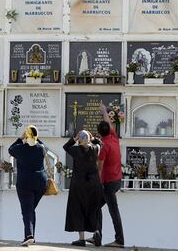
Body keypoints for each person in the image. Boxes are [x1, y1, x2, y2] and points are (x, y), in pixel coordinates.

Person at [90, 102, 124, 248]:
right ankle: (97, 235)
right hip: (116, 180)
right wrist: (104, 111)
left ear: (99, 133)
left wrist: (96, 182)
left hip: (108, 183)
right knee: (96, 206)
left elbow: (99, 167)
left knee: (113, 211)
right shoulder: (114, 138)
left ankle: (119, 240)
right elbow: (108, 124)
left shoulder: (104, 146)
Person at [9, 125, 47, 246]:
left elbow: (10, 149)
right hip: (40, 183)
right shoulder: (41, 148)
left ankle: (29, 235)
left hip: (25, 183)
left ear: (26, 135)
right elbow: (45, 146)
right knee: (30, 209)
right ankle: (30, 235)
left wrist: (20, 138)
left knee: (27, 210)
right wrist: (37, 138)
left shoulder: (20, 148)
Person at [63, 130, 103, 247]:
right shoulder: (95, 148)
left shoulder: (75, 150)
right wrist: (92, 138)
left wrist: (74, 139)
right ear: (89, 138)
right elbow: (101, 143)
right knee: (93, 208)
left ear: (80, 139)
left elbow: (66, 146)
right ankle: (96, 233)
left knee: (78, 208)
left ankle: (81, 239)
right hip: (93, 183)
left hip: (79, 183)